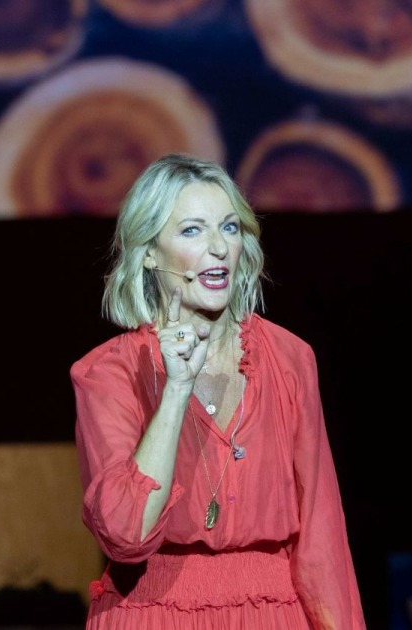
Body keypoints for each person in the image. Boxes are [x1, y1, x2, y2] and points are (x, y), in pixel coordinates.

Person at [71, 153, 365, 628]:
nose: (218, 247)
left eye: (229, 228)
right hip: (154, 613)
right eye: (192, 230)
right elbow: (126, 535)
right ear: (149, 252)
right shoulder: (108, 373)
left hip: (270, 613)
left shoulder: (290, 359)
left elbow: (322, 534)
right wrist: (175, 390)